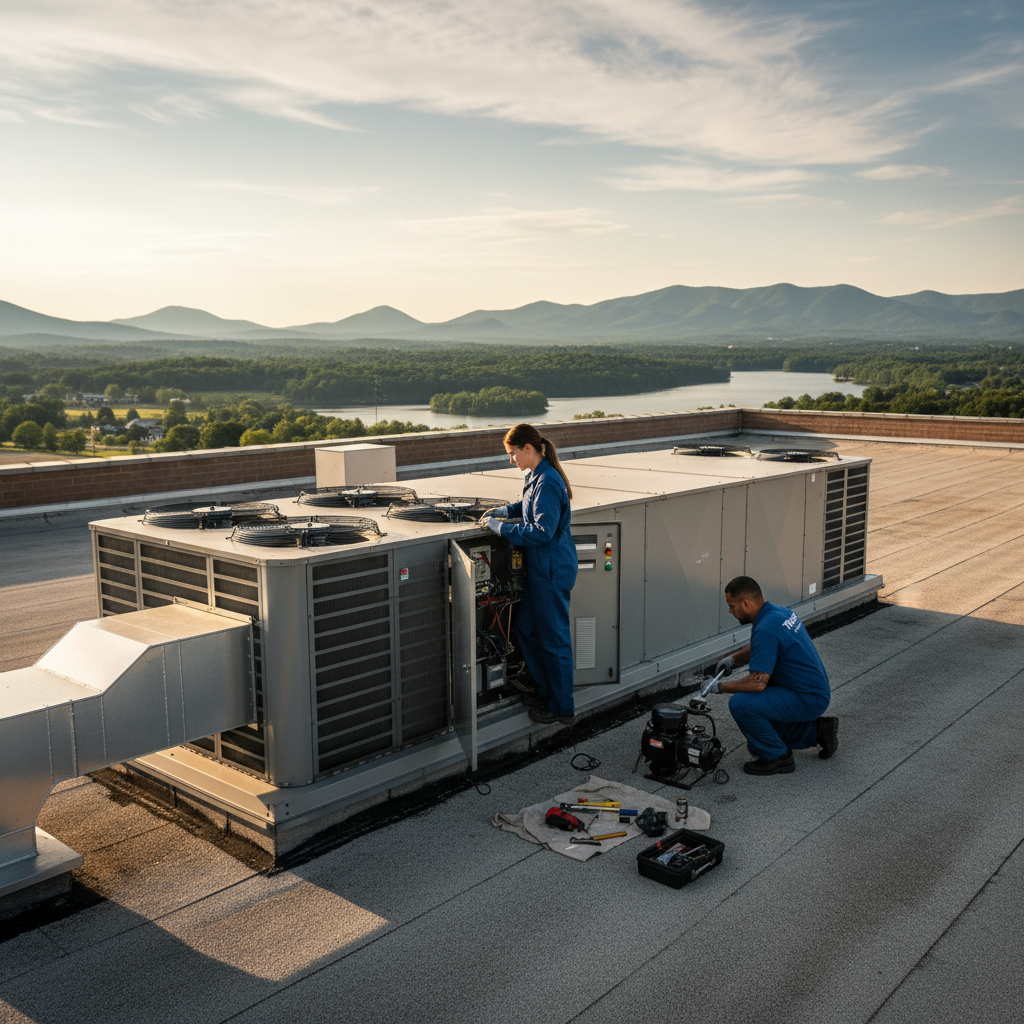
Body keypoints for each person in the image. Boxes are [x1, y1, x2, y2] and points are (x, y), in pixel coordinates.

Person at [485, 423, 578, 725]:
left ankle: (562, 706)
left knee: (554, 640)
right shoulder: (536, 476)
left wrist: (500, 528)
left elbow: (541, 531)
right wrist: (502, 511)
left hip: (551, 571)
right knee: (525, 629)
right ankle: (546, 690)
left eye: (512, 454)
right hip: (541, 571)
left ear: (528, 449)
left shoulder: (548, 481)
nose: (511, 460)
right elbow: (527, 507)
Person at [705, 576, 839, 775]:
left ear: (746, 603)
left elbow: (757, 683)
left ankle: (778, 757)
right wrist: (733, 659)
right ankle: (818, 731)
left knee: (741, 705)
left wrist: (719, 687)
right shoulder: (778, 613)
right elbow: (764, 645)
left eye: (732, 606)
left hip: (807, 698)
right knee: (758, 732)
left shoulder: (766, 628)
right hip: (812, 690)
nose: (731, 611)